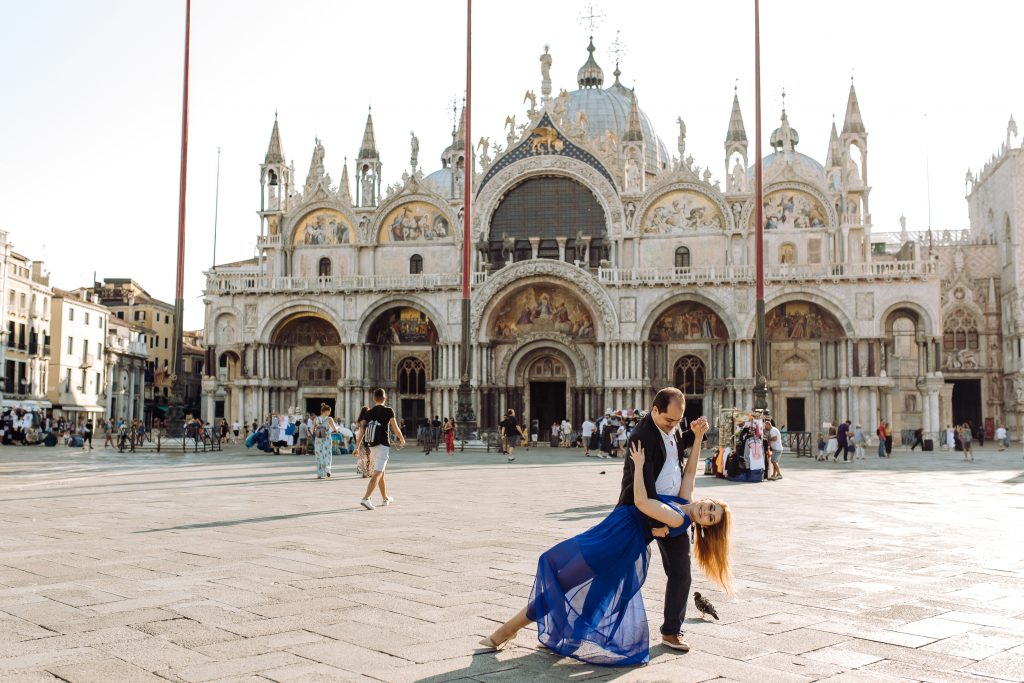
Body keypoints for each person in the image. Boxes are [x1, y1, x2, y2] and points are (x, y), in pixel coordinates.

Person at [481, 407, 731, 664]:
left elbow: (643, 503)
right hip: (612, 533)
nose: (706, 511)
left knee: (565, 579)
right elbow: (690, 472)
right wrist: (699, 437)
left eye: (709, 518)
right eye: (711, 507)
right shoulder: (684, 500)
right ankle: (569, 636)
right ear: (708, 499)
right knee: (587, 586)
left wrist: (640, 467)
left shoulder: (679, 518)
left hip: (617, 543)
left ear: (704, 526)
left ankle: (507, 630)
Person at [356, 388, 406, 509]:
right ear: (385, 398)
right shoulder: (388, 410)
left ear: (374, 398)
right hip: (383, 445)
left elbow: (362, 431)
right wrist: (401, 438)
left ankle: (385, 498)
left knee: (381, 472)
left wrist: (356, 447)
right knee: (377, 473)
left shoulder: (368, 413)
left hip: (372, 446)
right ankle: (366, 498)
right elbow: (395, 427)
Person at [312, 404, 337, 479]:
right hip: (327, 438)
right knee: (327, 454)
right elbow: (334, 429)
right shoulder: (329, 419)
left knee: (319, 455)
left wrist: (319, 430)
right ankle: (327, 470)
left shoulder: (316, 419)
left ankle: (320, 473)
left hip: (318, 438)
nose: (330, 413)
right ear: (326, 411)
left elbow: (313, 430)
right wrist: (334, 431)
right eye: (329, 411)